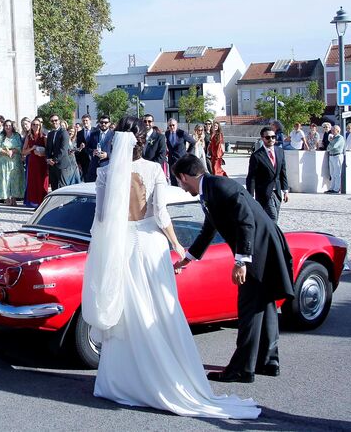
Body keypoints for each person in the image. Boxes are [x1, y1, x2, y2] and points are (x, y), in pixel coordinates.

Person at [82, 118, 259, 419]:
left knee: (127, 313)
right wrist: (178, 246)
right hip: (150, 246)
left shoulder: (104, 173)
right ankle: (168, 377)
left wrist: (101, 252)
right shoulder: (153, 171)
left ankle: (121, 382)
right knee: (161, 310)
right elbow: (161, 214)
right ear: (142, 139)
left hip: (121, 247)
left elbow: (100, 220)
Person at [173, 154, 294, 386]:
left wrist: (241, 261)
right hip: (261, 246)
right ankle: (268, 362)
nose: (181, 186)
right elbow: (210, 228)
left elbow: (245, 221)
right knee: (264, 303)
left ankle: (241, 369)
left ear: (184, 176)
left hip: (259, 249)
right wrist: (188, 258)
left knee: (249, 306)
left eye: (179, 181)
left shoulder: (221, 186)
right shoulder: (210, 188)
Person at [245, 126, 289, 222]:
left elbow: (283, 171)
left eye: (273, 137)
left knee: (275, 216)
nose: (271, 139)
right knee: (272, 217)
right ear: (262, 138)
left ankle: (267, 235)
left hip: (277, 191)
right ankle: (273, 236)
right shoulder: (256, 156)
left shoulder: (280, 152)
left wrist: (285, 190)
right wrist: (250, 195)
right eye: (268, 137)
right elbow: (251, 177)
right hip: (264, 192)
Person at [0, 120, 24, 206]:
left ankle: (14, 198)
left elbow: (20, 146)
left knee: (14, 179)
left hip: (14, 160)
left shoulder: (16, 135)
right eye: (6, 125)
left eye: (9, 125)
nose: (8, 127)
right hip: (4, 161)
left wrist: (12, 151)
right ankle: (7, 199)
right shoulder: (1, 136)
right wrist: (6, 152)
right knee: (5, 179)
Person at [21, 118, 48, 207]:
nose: (35, 126)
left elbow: (48, 151)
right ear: (31, 126)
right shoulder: (29, 137)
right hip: (32, 162)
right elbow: (23, 152)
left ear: (40, 126)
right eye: (33, 124)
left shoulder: (43, 136)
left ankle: (42, 203)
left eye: (37, 124)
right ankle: (35, 203)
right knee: (33, 182)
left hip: (42, 162)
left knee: (42, 183)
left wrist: (41, 153)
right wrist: (32, 148)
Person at [45, 114, 76, 190]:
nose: (54, 122)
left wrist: (54, 160)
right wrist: (48, 159)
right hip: (52, 165)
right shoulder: (50, 134)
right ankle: (56, 202)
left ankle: (65, 202)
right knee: (54, 187)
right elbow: (48, 148)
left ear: (59, 121)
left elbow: (63, 149)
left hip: (62, 164)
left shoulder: (64, 132)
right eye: (52, 121)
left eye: (56, 120)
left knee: (63, 188)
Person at [165, 118, 194, 186]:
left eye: (173, 125)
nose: (172, 127)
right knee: (173, 179)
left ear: (176, 125)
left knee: (182, 179)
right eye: (170, 125)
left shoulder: (182, 133)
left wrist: (187, 153)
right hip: (171, 160)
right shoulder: (167, 133)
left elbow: (193, 142)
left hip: (181, 159)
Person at [85, 115, 113, 182]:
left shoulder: (114, 135)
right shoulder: (93, 134)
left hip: (107, 166)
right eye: (101, 122)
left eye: (105, 122)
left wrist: (107, 155)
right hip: (94, 167)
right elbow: (87, 148)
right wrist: (92, 151)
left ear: (109, 123)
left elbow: (117, 151)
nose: (103, 124)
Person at [325, 125, 345, 194]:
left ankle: (336, 189)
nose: (332, 131)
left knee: (337, 173)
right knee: (332, 173)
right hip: (331, 155)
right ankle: (332, 188)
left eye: (334, 130)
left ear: (338, 131)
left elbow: (334, 146)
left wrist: (330, 144)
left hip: (337, 156)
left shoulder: (340, 138)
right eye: (332, 130)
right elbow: (329, 147)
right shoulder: (333, 138)